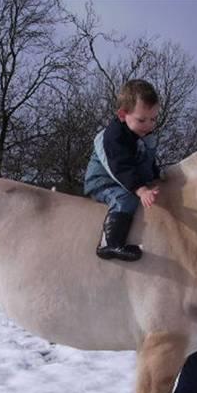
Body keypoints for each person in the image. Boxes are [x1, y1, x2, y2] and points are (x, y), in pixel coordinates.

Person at [84, 79, 161, 262]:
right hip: (103, 182)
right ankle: (109, 243)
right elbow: (120, 166)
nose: (149, 125)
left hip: (125, 180)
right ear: (122, 115)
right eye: (141, 119)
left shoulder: (142, 136)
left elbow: (146, 162)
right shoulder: (113, 136)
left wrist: (157, 176)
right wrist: (141, 189)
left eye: (153, 119)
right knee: (124, 198)